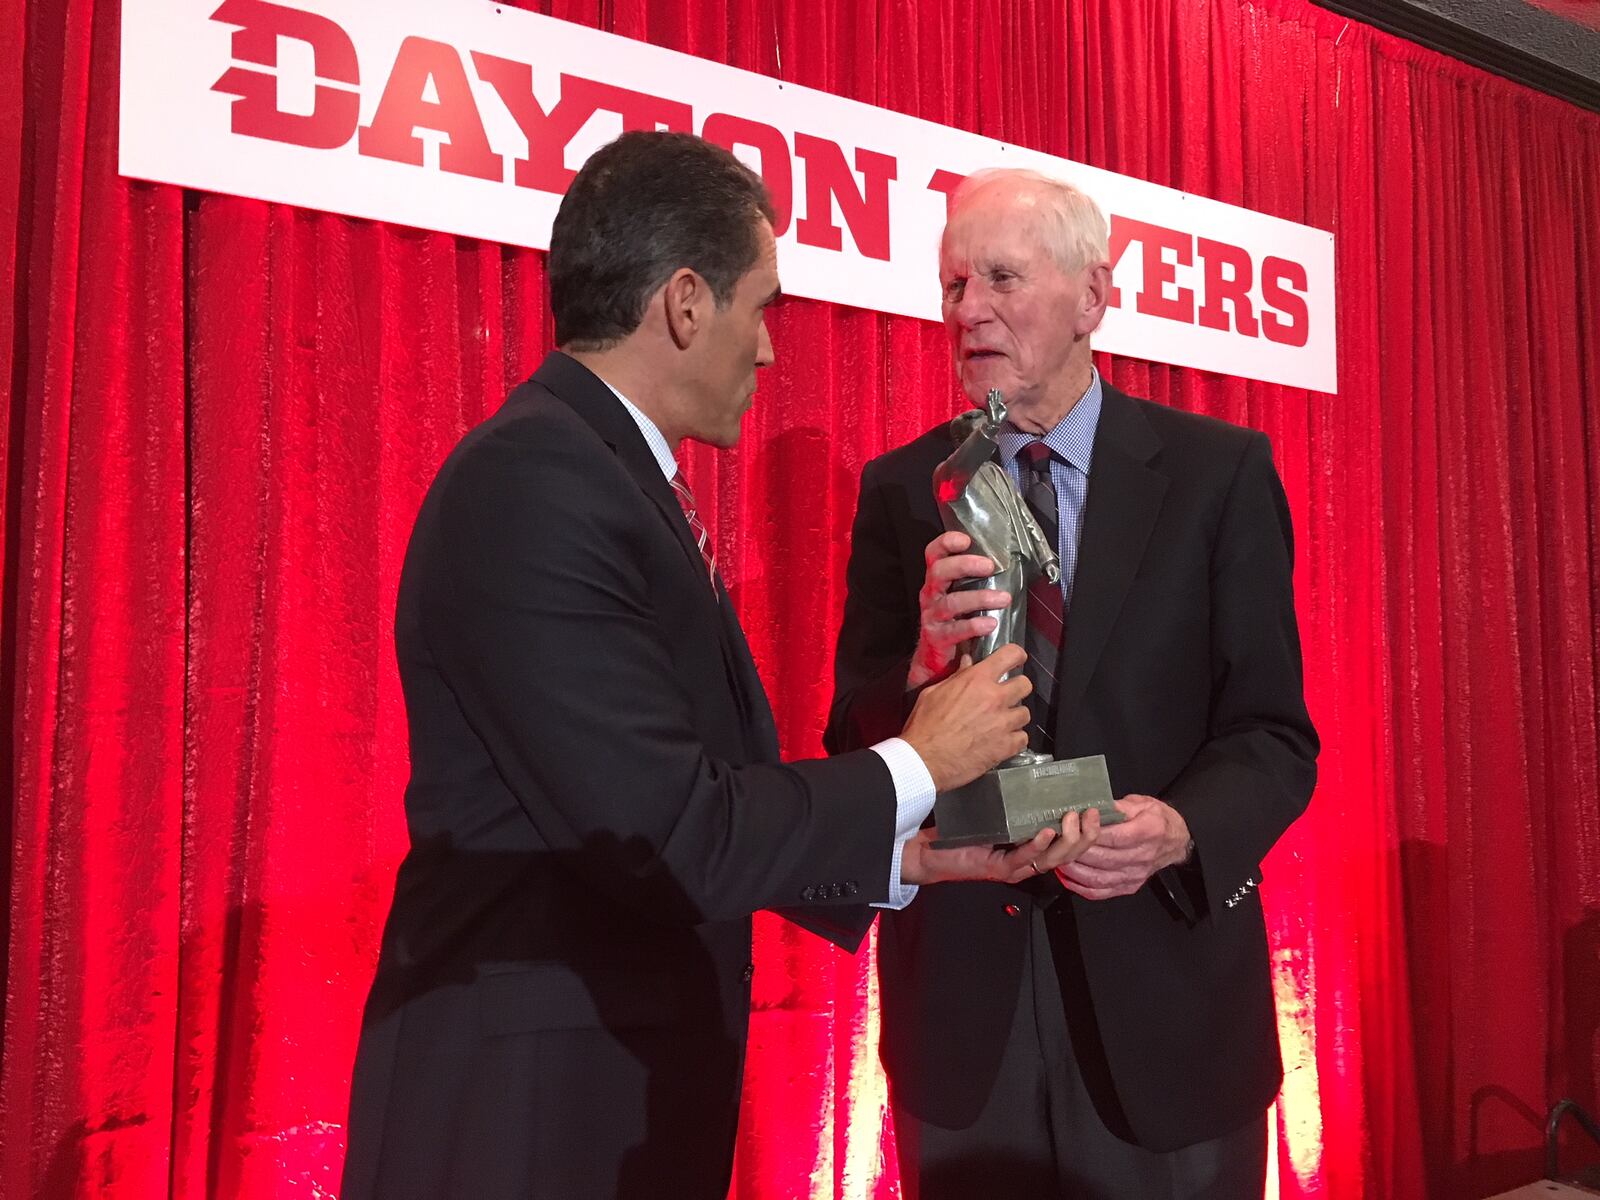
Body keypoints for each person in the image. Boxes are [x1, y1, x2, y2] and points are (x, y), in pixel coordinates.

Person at [340, 134, 1095, 1200]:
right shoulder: (537, 485)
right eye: (762, 307)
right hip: (530, 1119)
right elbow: (677, 832)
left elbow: (680, 802)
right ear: (687, 305)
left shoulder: (600, 477)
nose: (770, 352)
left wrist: (902, 861)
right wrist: (921, 759)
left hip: (603, 1097)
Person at [826, 168, 1320, 1198]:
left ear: (1094, 297)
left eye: (1000, 277)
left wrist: (1180, 829)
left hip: (1165, 995)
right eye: (954, 284)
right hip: (965, 1009)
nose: (968, 311)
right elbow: (856, 741)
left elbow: (1273, 736)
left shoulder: (1216, 475)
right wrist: (915, 671)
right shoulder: (904, 490)